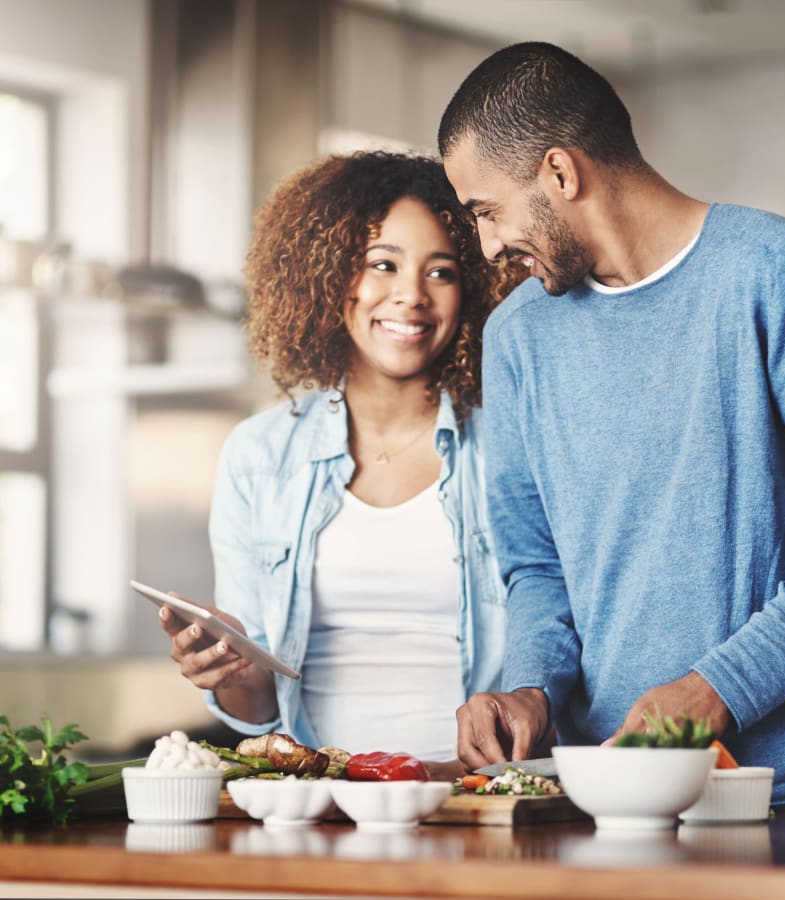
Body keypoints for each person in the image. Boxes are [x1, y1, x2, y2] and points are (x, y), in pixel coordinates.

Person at [437, 42, 785, 810]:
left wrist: (716, 690)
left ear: (562, 173)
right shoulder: (517, 337)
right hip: (599, 793)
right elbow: (536, 566)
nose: (488, 245)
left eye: (487, 210)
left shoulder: (780, 274)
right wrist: (530, 685)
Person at [158, 151, 522, 779]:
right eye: (383, 265)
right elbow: (260, 714)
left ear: (471, 291)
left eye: (441, 272)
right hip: (318, 805)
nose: (410, 295)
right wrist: (231, 672)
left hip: (474, 799)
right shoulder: (260, 456)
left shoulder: (513, 445)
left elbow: (557, 646)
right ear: (330, 279)